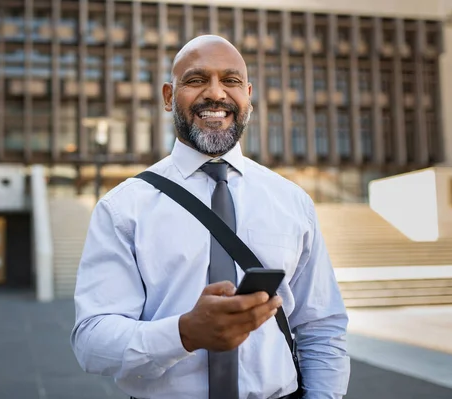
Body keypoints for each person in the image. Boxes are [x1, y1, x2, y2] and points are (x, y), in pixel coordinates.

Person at [71, 35, 350, 399]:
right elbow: (91, 341)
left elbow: (321, 325)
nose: (216, 94)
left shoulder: (291, 201)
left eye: (231, 81)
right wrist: (184, 333)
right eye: (197, 80)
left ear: (248, 96)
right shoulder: (123, 207)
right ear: (169, 96)